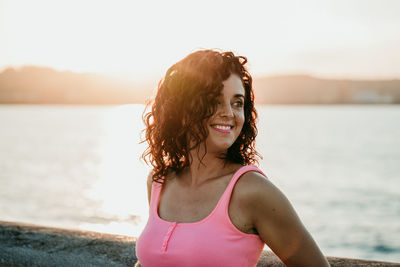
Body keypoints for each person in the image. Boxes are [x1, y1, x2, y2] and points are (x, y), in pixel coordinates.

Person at [135, 49, 330, 267]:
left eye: (237, 102)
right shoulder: (159, 181)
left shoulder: (253, 191)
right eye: (215, 100)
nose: (229, 112)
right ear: (181, 109)